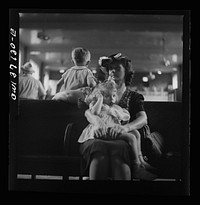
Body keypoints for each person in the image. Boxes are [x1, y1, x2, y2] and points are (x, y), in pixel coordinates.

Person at [79, 53, 158, 180]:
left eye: (117, 68)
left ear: (126, 71)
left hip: (120, 136)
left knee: (119, 151)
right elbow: (87, 110)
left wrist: (126, 128)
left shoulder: (133, 96)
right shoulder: (99, 90)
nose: (113, 71)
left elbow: (143, 119)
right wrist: (97, 121)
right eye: (111, 68)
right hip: (96, 133)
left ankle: (136, 167)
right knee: (99, 149)